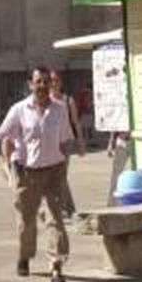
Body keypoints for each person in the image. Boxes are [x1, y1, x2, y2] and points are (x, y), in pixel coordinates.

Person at [0, 65, 72, 282]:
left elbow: (64, 140)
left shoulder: (60, 109)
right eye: (38, 82)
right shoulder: (19, 110)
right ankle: (25, 255)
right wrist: (8, 167)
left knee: (55, 220)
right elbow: (6, 140)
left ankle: (56, 267)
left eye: (46, 82)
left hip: (54, 172)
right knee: (27, 222)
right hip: (26, 173)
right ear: (30, 84)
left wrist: (64, 167)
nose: (42, 86)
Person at [49, 69, 85, 217]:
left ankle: (63, 209)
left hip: (66, 142)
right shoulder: (46, 100)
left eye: (56, 80)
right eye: (51, 80)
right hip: (51, 143)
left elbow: (76, 122)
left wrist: (81, 142)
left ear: (61, 82)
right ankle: (69, 209)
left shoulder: (67, 100)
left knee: (61, 175)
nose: (53, 83)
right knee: (57, 176)